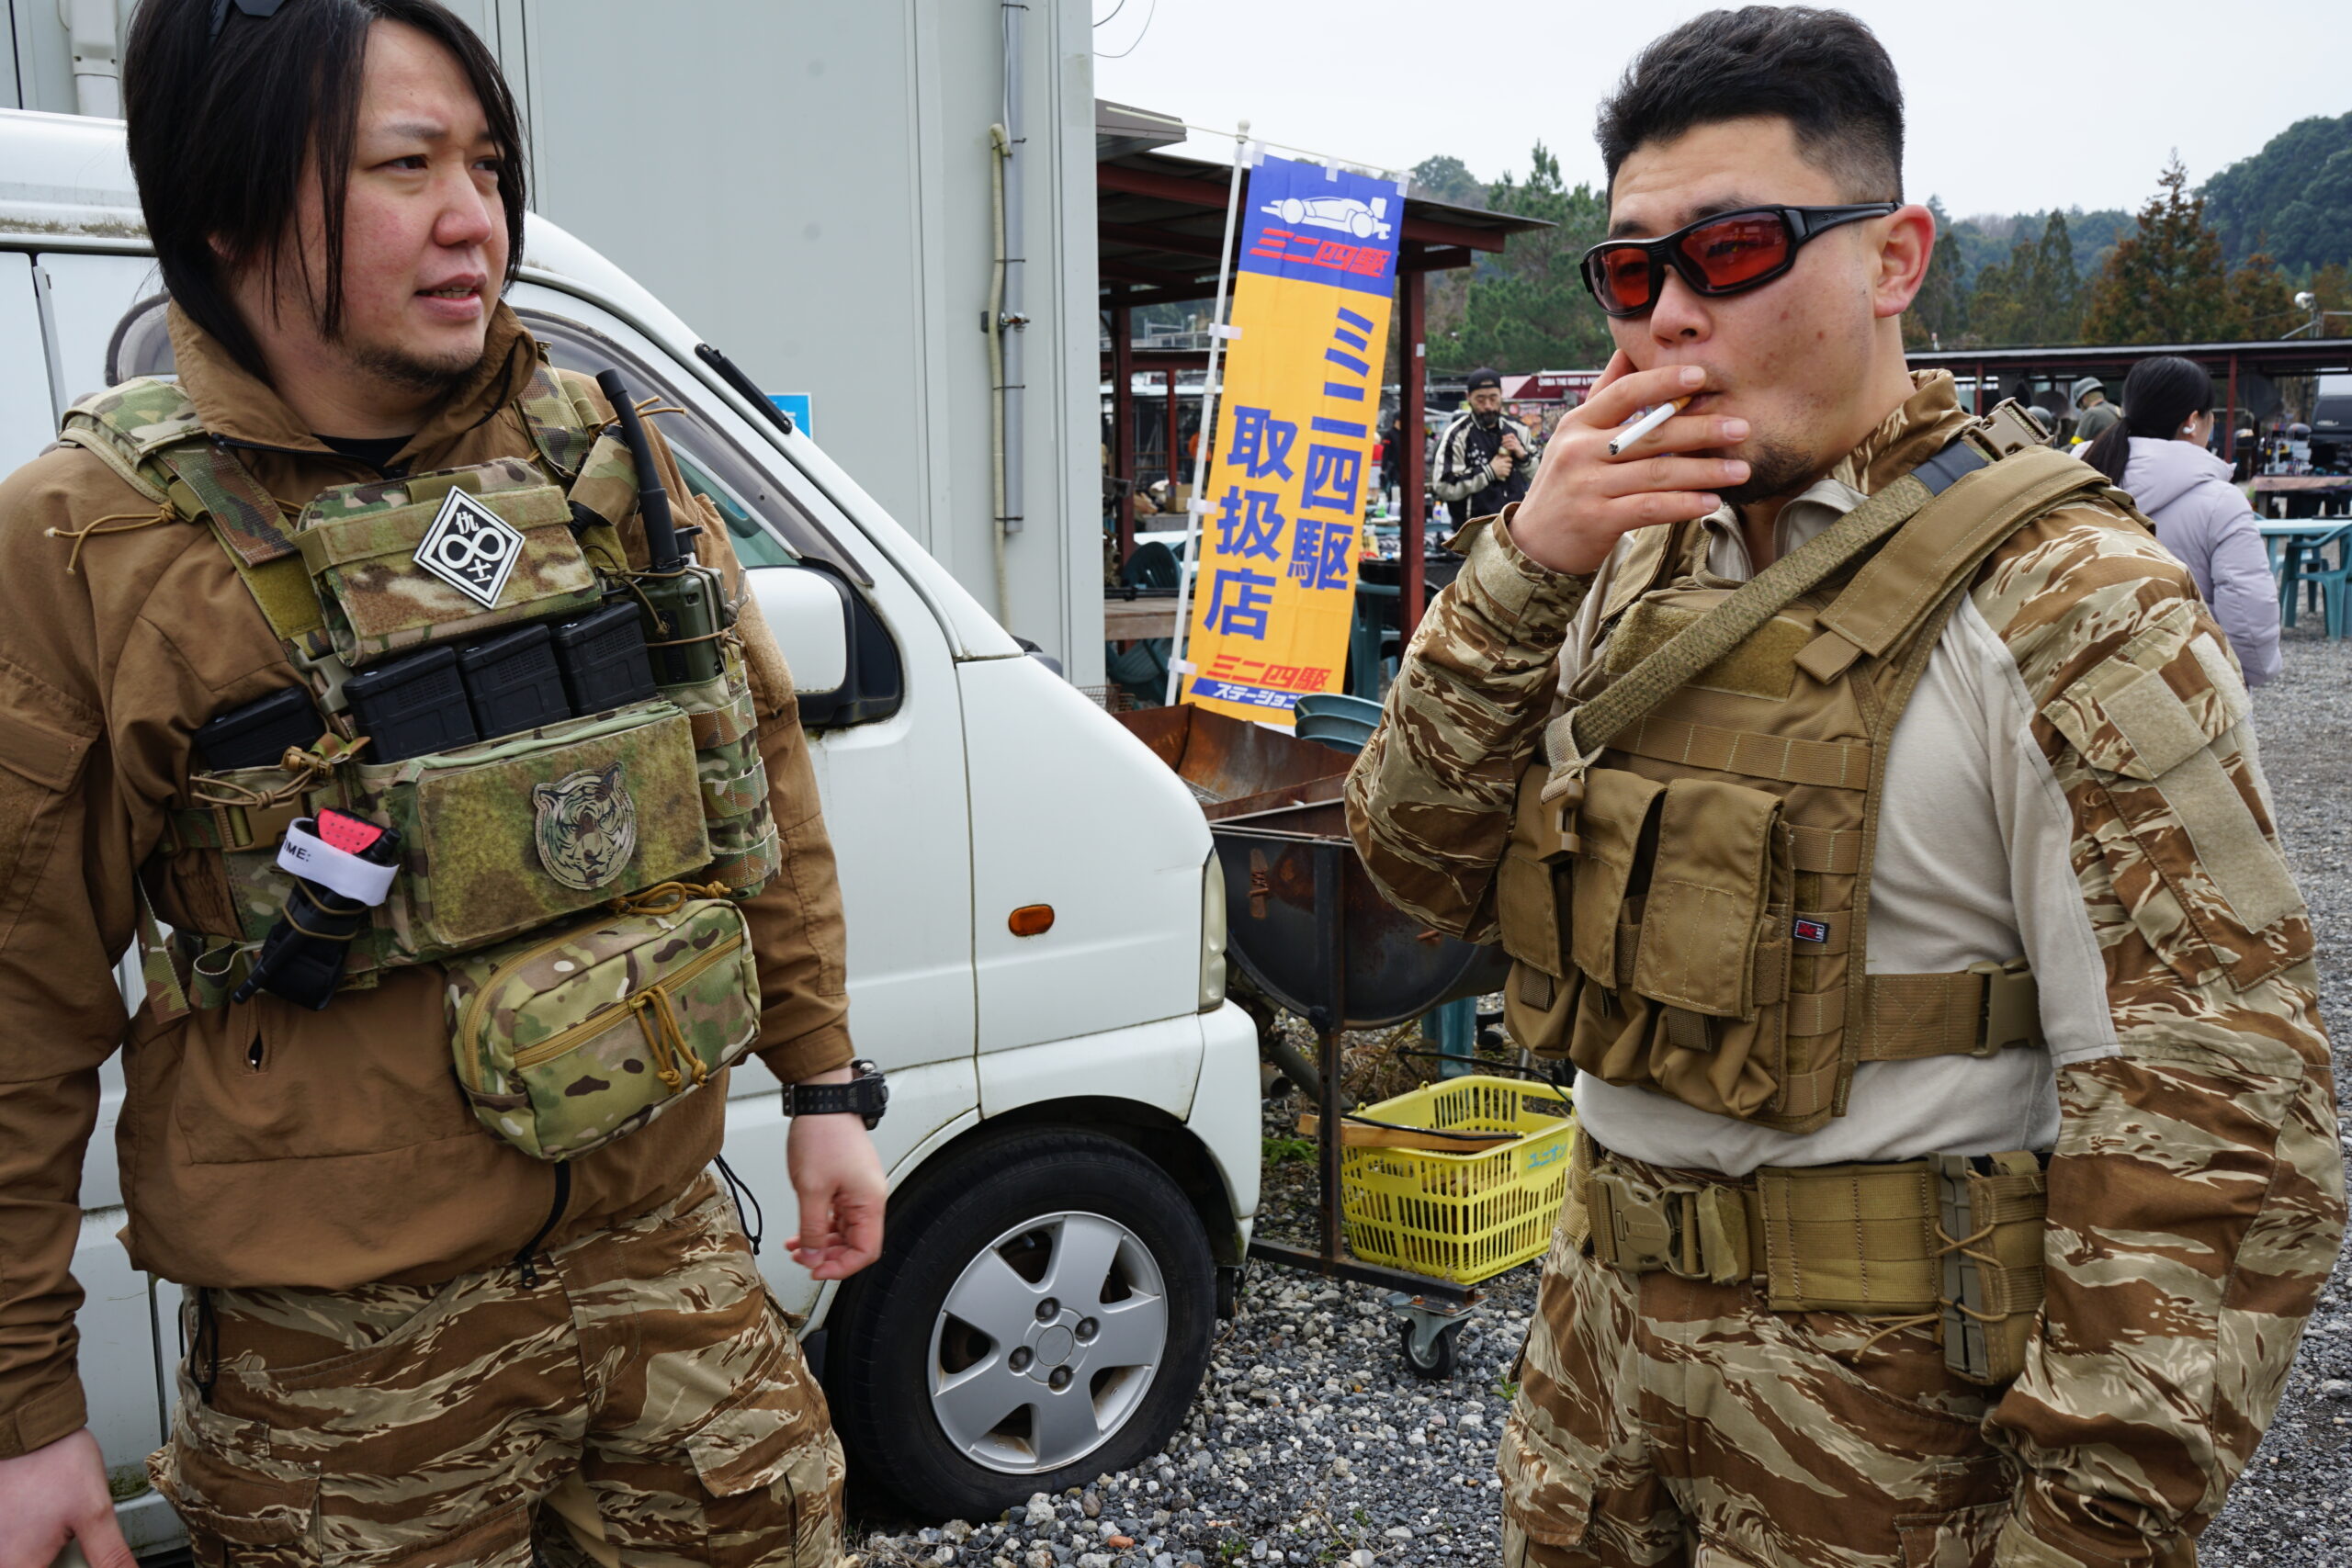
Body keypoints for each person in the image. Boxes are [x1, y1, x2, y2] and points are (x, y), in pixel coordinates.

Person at [1344, 8, 2342, 1567]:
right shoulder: (1617, 555)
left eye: (1734, 249)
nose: (1673, 314)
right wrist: (1522, 566)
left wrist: (2083, 1529)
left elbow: (2222, 1121)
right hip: (1596, 1389)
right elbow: (1413, 870)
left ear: (1895, 258)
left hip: (1890, 1430)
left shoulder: (2071, 599)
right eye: (1631, 273)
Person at [0, 4, 885, 1565]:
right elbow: (20, 996)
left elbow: (752, 769)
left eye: (486, 163)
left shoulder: (598, 453)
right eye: (405, 167)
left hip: (667, 1262)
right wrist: (23, 1403)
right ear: (226, 204)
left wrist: (821, 1085)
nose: (475, 216)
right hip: (339, 1360)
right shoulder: (92, 540)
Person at [2084, 355, 2281, 684]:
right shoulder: (2221, 502)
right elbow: (2248, 609)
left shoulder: (2076, 482)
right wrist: (2251, 673)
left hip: (2085, 689)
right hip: (2191, 689)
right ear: (2192, 421)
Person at [1433, 368, 1540, 531]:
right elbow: (1443, 486)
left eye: (1493, 398)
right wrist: (1488, 472)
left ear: (1501, 395)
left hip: (1515, 530)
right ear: (1468, 397)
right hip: (1472, 533)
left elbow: (1541, 479)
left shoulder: (1519, 429)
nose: (1488, 406)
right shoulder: (1458, 435)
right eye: (1480, 399)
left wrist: (1523, 456)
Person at [2069, 374, 2121, 446]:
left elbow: (2075, 446)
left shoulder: (2091, 414)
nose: (2081, 410)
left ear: (2084, 398)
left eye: (2080, 405)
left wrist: (2055, 450)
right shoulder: (2118, 410)